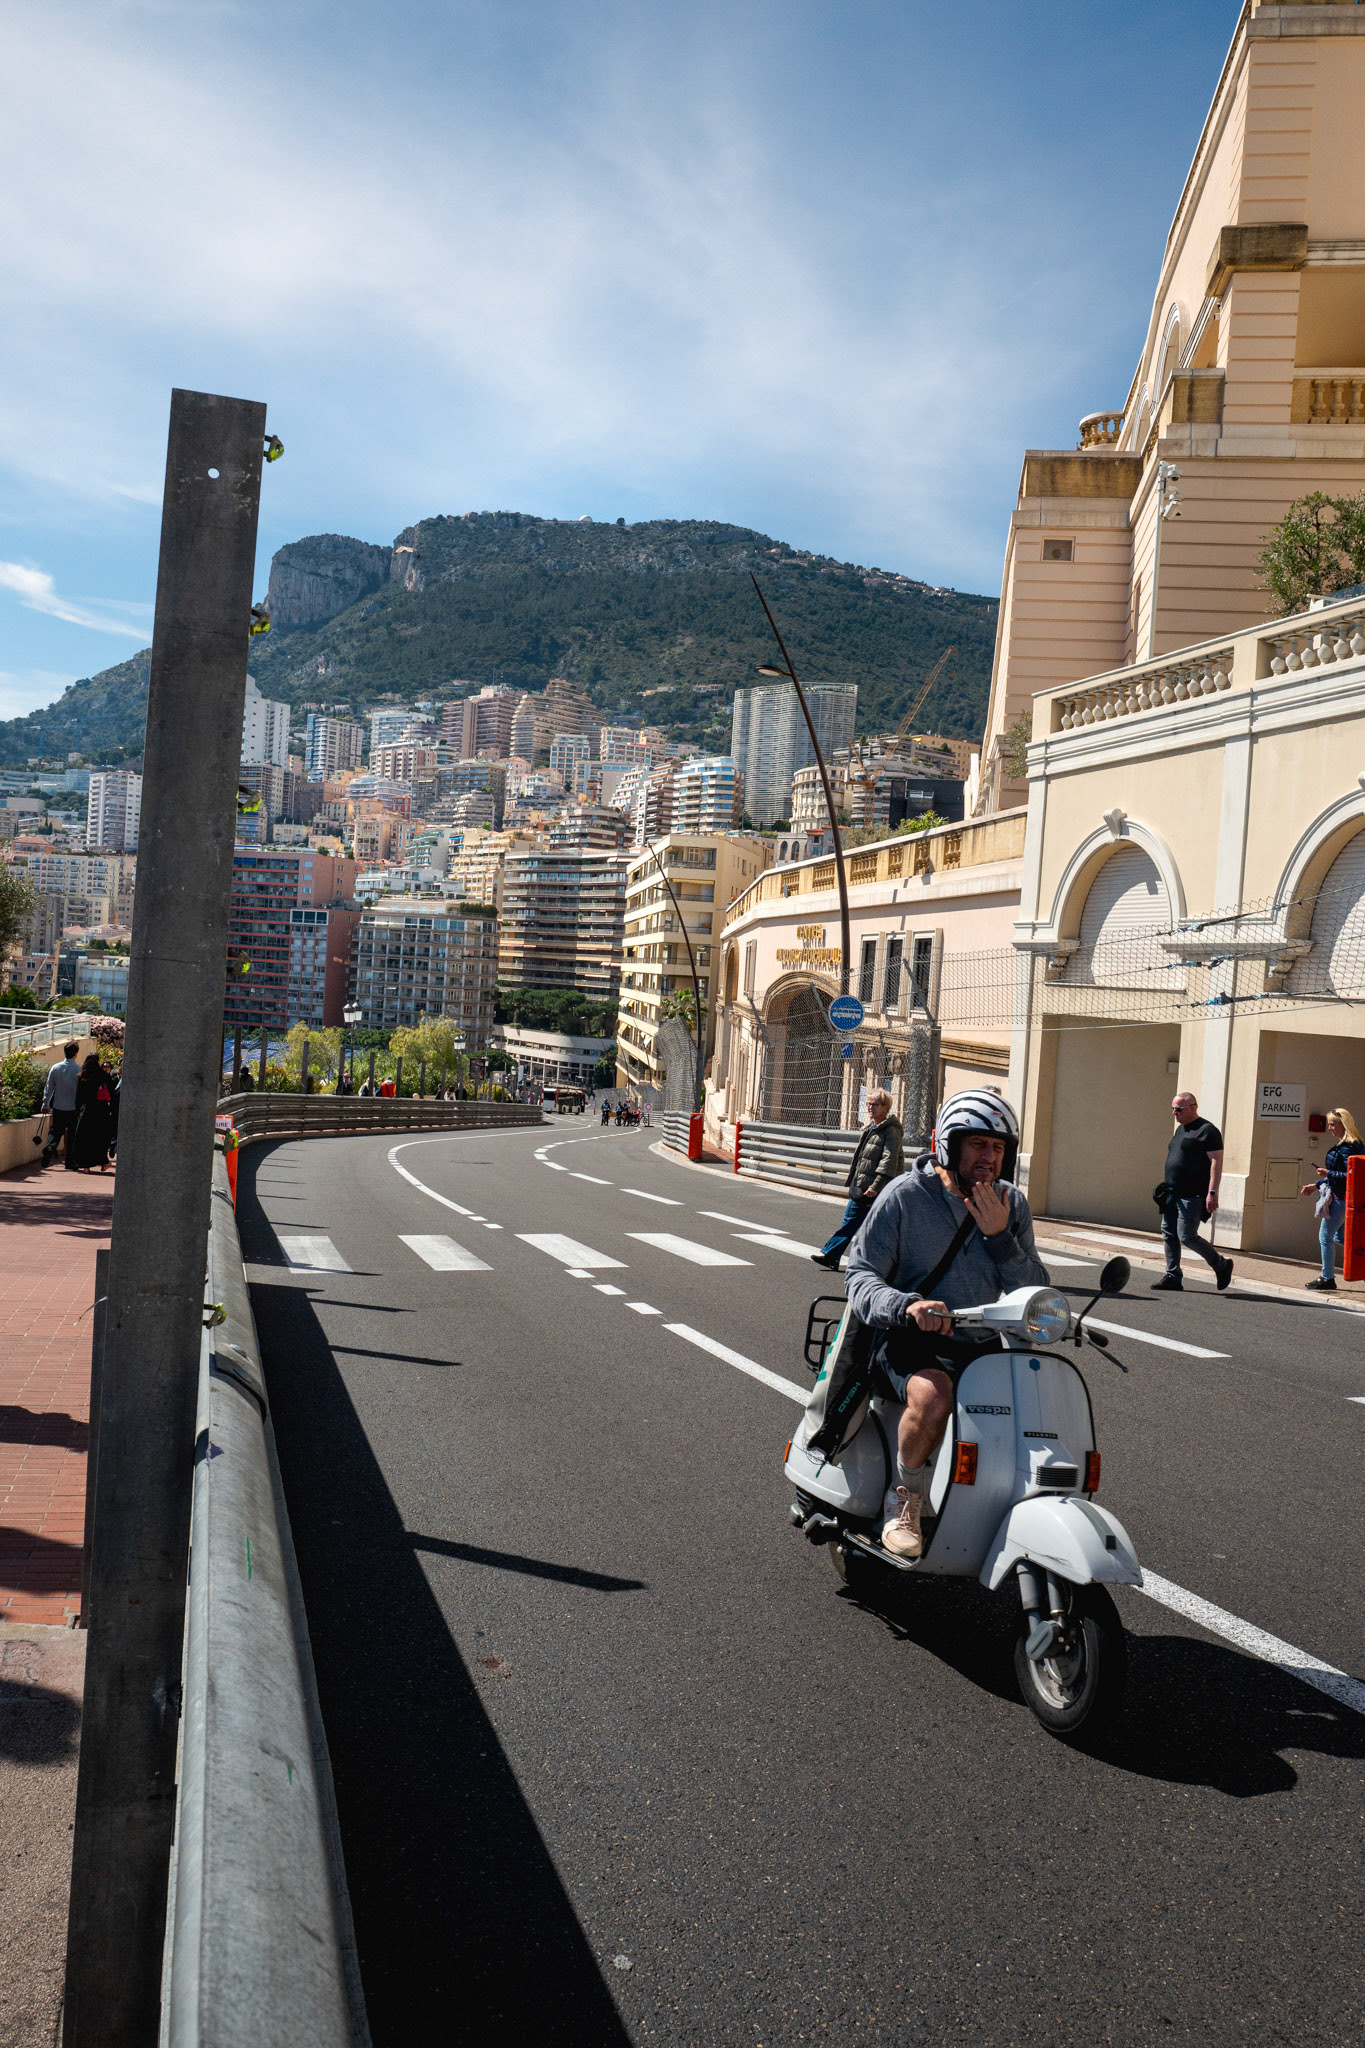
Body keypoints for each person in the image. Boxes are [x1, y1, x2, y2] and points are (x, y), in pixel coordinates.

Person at [845, 1089, 1049, 1560]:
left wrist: (1000, 1237)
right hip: (906, 1339)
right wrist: (908, 1306)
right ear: (949, 1146)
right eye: (977, 1145)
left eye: (997, 1148)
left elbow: (1033, 1285)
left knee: (1031, 1402)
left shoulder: (1009, 1205)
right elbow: (860, 1275)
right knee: (934, 1394)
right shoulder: (905, 1197)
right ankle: (904, 1503)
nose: (988, 1157)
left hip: (978, 1340)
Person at [811, 1088, 904, 1270]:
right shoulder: (872, 1128)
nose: (870, 1107)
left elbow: (889, 1161)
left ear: (885, 1107)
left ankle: (834, 1255)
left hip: (875, 1188)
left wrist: (876, 1185)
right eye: (868, 1103)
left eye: (875, 1104)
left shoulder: (890, 1131)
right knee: (858, 1222)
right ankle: (833, 1255)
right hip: (862, 1185)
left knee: (865, 1225)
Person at [1153, 1092, 1233, 1292]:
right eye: (1173, 1108)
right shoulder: (1181, 1129)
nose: (1174, 1112)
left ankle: (1221, 1265)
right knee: (1168, 1233)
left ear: (1193, 1107)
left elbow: (1216, 1162)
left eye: (1178, 1109)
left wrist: (1212, 1192)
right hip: (1172, 1193)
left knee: (1187, 1235)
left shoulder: (1207, 1131)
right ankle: (1173, 1276)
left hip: (1193, 1194)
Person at [1302, 1106, 1364, 1291]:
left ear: (1343, 1125)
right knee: (1341, 1237)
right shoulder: (1354, 1144)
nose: (1329, 1128)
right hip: (1345, 1197)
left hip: (1340, 1198)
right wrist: (1318, 1184)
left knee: (1325, 1237)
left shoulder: (1347, 1147)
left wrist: (1327, 1173)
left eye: (1332, 1124)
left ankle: (1327, 1277)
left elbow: (1350, 1174)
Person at [69, 1053, 115, 1172]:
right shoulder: (103, 1076)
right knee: (100, 1137)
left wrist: (78, 1111)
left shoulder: (82, 1076)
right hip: (101, 1111)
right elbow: (111, 1092)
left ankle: (86, 1166)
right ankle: (103, 1162)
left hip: (86, 1110)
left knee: (84, 1138)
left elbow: (78, 1096)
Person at [41, 1041, 82, 1167]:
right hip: (72, 1107)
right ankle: (69, 1161)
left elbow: (49, 1088)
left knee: (55, 1131)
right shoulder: (79, 1069)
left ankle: (50, 1147)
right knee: (71, 1135)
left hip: (58, 1106)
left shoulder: (56, 1067)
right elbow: (80, 1091)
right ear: (76, 1053)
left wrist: (45, 1104)